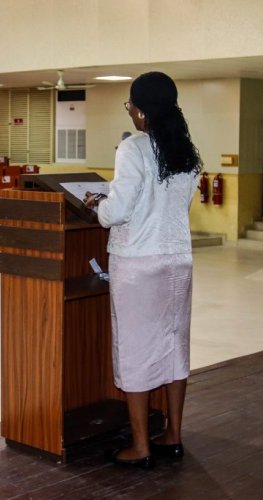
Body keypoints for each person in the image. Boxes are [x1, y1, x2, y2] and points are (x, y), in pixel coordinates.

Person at [85, 72, 202, 469]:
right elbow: (170, 204)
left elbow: (115, 212)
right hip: (178, 260)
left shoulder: (133, 148)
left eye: (130, 106)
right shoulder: (186, 150)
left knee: (135, 349)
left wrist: (96, 205)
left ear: (140, 109)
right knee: (174, 346)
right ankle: (173, 436)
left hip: (138, 264)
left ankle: (140, 446)